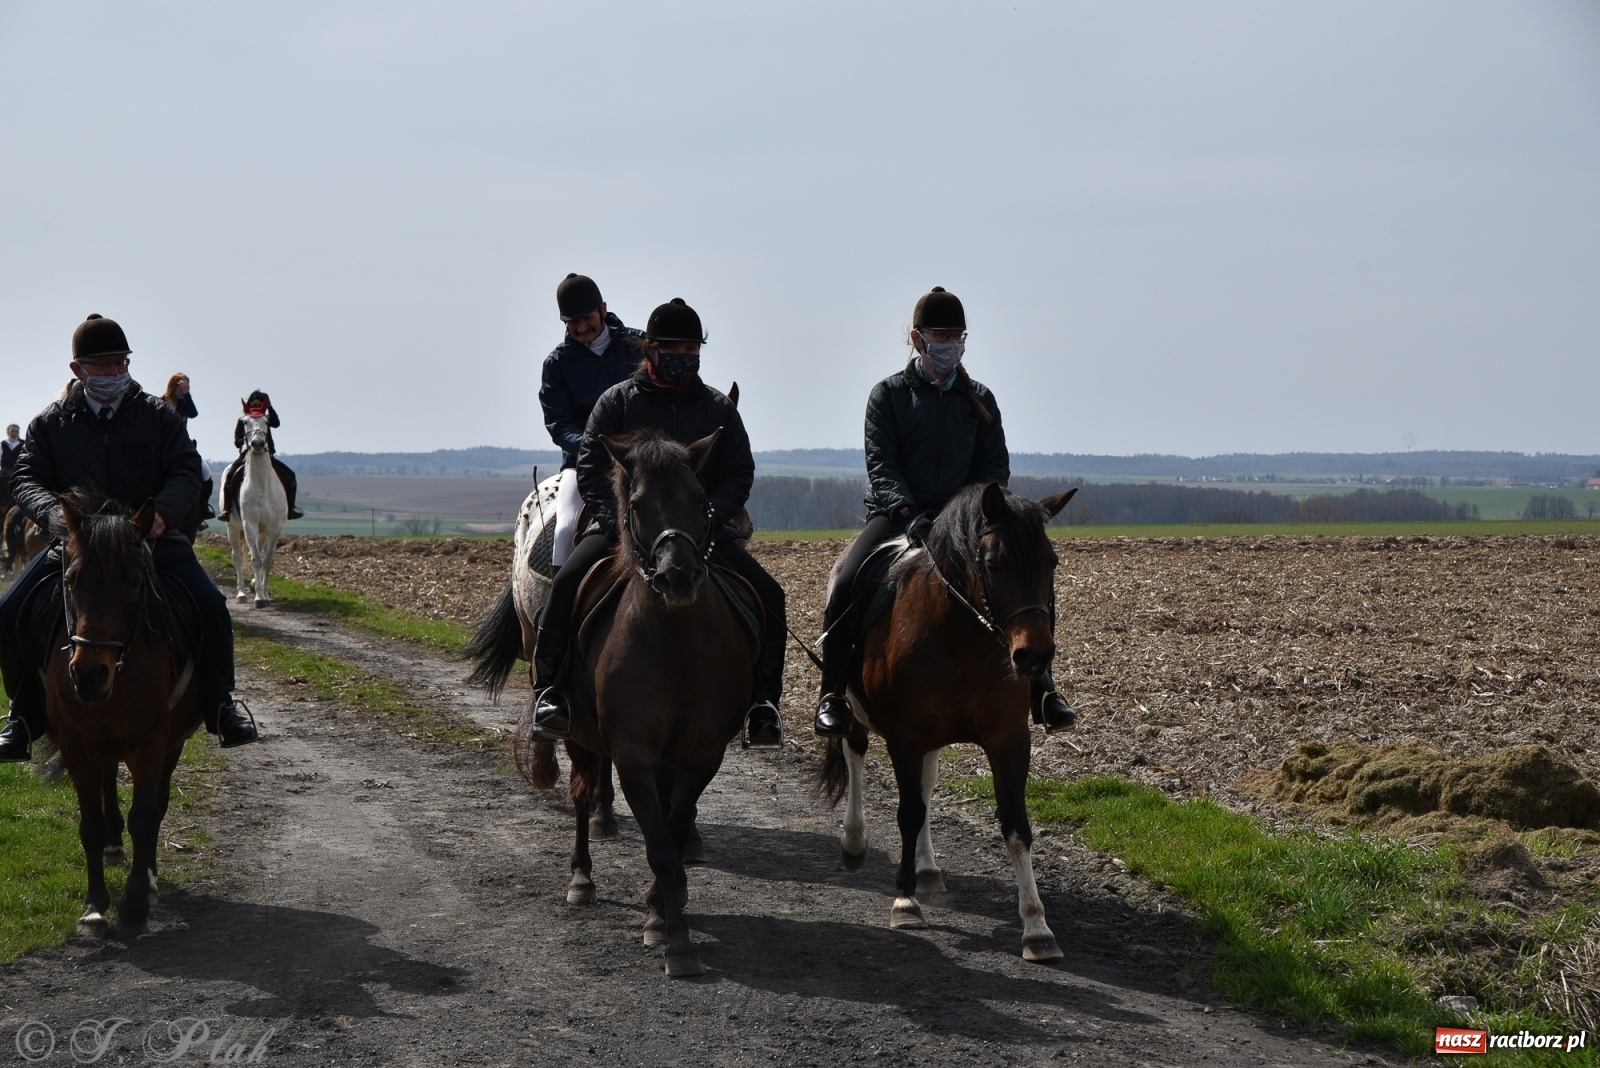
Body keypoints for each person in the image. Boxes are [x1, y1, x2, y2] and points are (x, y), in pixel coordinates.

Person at [812, 287, 1077, 738]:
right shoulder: (887, 396)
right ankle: (833, 694)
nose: (950, 344)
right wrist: (908, 513)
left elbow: (994, 468)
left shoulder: (982, 399)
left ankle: (1043, 689)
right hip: (898, 516)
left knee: (1027, 574)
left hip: (965, 523)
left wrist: (968, 515)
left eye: (957, 336)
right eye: (940, 336)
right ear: (917, 339)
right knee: (848, 581)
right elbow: (882, 466)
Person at [528, 298, 787, 749]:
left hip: (700, 533)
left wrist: (710, 515)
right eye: (673, 349)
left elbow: (738, 472)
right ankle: (550, 693)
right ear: (650, 350)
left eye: (691, 350)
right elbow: (590, 468)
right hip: (627, 530)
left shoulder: (718, 408)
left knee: (770, 594)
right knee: (567, 582)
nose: (683, 357)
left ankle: (763, 703)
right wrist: (617, 522)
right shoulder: (616, 402)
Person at [0, 313, 259, 760]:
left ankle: (220, 705)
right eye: (103, 365)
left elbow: (185, 469)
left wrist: (164, 513)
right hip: (78, 546)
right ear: (78, 370)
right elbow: (26, 477)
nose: (114, 372)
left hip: (149, 540)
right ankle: (23, 716)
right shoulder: (51, 423)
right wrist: (54, 515)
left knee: (212, 607)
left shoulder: (159, 417)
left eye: (121, 362)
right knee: (9, 611)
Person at [539, 273, 645, 566]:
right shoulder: (556, 364)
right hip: (583, 464)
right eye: (572, 322)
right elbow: (559, 424)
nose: (582, 327)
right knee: (564, 530)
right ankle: (557, 593)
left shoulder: (640, 346)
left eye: (587, 318)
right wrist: (593, 447)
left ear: (603, 309)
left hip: (642, 459)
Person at [216, 389, 302, 521]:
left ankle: (291, 509)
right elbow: (237, 441)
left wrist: (270, 406)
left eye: (259, 404)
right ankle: (227, 510)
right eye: (253, 404)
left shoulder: (265, 419)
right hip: (246, 456)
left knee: (291, 476)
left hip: (267, 456)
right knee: (230, 477)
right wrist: (246, 443)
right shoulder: (243, 420)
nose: (255, 407)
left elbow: (276, 423)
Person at [161, 372, 216, 527]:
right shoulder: (160, 402)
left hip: (183, 447)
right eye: (182, 385)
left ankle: (202, 509)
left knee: (206, 473)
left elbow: (193, 414)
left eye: (186, 385)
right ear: (174, 385)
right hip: (162, 447)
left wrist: (187, 394)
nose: (184, 388)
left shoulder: (185, 404)